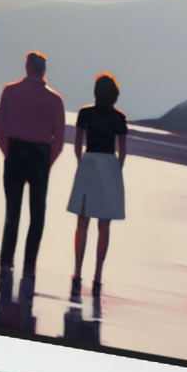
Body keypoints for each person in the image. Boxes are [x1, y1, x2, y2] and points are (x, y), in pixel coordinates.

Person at [0, 50, 65, 278]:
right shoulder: (55, 100)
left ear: (27, 67)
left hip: (15, 151)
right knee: (37, 213)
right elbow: (59, 140)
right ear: (43, 70)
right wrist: (47, 162)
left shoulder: (10, 91)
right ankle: (30, 261)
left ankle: (6, 256)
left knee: (12, 209)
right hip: (40, 154)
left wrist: (8, 153)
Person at [67, 73, 128, 297]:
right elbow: (123, 151)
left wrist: (81, 164)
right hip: (109, 165)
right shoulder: (119, 118)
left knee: (82, 222)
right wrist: (115, 169)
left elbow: (76, 146)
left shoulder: (85, 114)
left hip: (89, 163)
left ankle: (77, 271)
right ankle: (98, 276)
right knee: (104, 225)